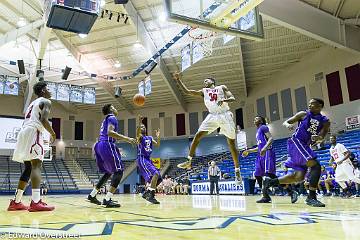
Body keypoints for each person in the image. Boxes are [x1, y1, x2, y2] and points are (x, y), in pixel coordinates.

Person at [173, 72, 242, 185]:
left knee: (231, 144)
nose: (204, 82)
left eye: (206, 80)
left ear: (212, 81)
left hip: (225, 114)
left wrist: (224, 100)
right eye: (204, 81)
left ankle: (237, 171)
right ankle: (189, 160)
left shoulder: (222, 87)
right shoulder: (203, 91)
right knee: (198, 135)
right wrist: (178, 80)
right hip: (212, 115)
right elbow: (187, 91)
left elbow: (232, 98)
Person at [262, 98, 330, 207]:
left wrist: (319, 137)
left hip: (305, 146)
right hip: (296, 142)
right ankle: (311, 197)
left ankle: (270, 182)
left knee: (299, 177)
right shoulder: (303, 114)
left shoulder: (325, 121)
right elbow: (287, 121)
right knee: (316, 166)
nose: (310, 105)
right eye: (309, 104)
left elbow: (323, 135)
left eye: (313, 104)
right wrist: (288, 125)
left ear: (320, 106)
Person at [8, 81, 56, 212]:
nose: (50, 91)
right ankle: (35, 202)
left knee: (28, 168)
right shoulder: (46, 101)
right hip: (34, 132)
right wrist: (52, 133)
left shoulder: (32, 104)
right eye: (49, 88)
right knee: (36, 165)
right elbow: (43, 120)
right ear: (43, 90)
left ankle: (16, 202)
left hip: (24, 132)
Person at [87, 104, 136, 208]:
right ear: (111, 109)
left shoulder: (105, 119)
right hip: (107, 144)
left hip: (99, 145)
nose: (116, 108)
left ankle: (92, 195)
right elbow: (110, 132)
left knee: (108, 172)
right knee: (119, 171)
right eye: (114, 107)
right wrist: (128, 139)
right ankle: (107, 199)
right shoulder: (112, 117)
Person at [242, 116, 278, 202]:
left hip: (267, 152)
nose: (254, 120)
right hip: (260, 154)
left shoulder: (263, 127)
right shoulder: (258, 131)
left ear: (261, 121)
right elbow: (259, 147)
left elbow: (271, 138)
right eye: (254, 119)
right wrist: (249, 151)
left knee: (270, 174)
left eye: (256, 118)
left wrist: (265, 148)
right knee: (257, 174)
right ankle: (265, 194)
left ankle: (290, 190)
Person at [136, 115, 161, 204]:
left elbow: (157, 145)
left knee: (159, 177)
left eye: (143, 126)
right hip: (142, 158)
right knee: (155, 174)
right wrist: (139, 122)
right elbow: (138, 132)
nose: (142, 127)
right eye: (141, 127)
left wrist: (158, 136)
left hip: (148, 159)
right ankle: (150, 195)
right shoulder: (140, 138)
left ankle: (148, 193)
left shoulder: (149, 137)